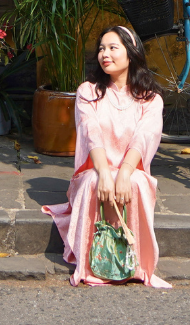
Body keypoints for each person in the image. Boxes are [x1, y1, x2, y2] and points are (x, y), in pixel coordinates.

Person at [43, 25, 171, 288]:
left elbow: (144, 137)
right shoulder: (88, 92)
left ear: (131, 52)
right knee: (92, 182)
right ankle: (91, 264)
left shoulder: (150, 99)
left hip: (131, 170)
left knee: (135, 183)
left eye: (113, 48)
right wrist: (104, 173)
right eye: (102, 48)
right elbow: (92, 136)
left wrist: (123, 173)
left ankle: (134, 262)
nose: (105, 54)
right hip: (95, 170)